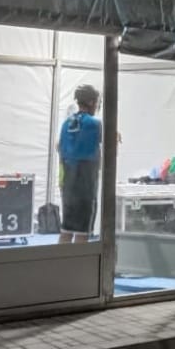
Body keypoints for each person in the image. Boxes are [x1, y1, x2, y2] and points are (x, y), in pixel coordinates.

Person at [57, 84, 103, 244]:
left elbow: (59, 148)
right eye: (97, 102)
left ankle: (60, 259)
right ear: (91, 102)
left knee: (66, 230)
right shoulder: (95, 124)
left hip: (68, 181)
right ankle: (80, 260)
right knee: (83, 233)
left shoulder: (66, 124)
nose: (97, 106)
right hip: (86, 182)